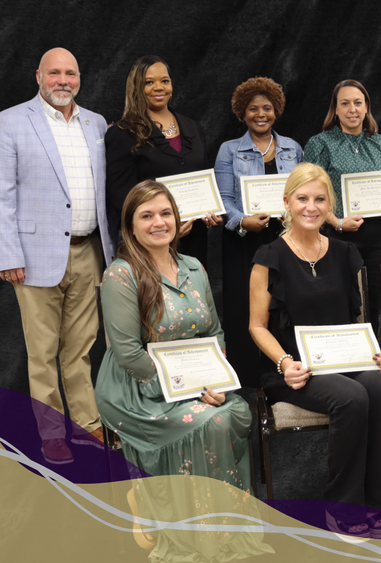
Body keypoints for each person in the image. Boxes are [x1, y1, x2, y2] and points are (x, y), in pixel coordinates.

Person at [95, 181, 270, 559]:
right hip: (138, 388)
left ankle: (225, 530)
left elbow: (215, 332)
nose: (158, 222)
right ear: (130, 225)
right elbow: (128, 354)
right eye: (147, 215)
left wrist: (216, 381)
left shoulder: (193, 267)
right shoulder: (120, 276)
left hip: (194, 378)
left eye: (165, 213)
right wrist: (187, 389)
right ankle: (173, 521)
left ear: (177, 218)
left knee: (235, 411)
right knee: (210, 420)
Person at [0, 47, 114, 464]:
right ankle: (51, 431)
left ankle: (87, 422)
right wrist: (8, 254)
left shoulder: (95, 123)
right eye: (54, 72)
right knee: (42, 350)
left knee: (80, 347)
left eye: (70, 73)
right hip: (33, 254)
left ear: (79, 78)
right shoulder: (10, 122)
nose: (63, 80)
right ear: (38, 76)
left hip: (88, 250)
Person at [249, 163, 381, 537]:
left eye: (319, 199)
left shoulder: (346, 252)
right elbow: (257, 326)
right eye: (302, 198)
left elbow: (359, 318)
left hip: (345, 358)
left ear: (330, 204)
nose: (310, 207)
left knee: (379, 386)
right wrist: (284, 363)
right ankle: (341, 507)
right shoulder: (269, 256)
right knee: (351, 397)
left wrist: (375, 352)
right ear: (287, 202)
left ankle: (376, 501)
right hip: (295, 368)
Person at [304, 79, 381, 331]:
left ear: (366, 107)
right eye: (345, 104)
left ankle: (376, 356)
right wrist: (337, 223)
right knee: (340, 297)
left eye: (357, 103)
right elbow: (310, 192)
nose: (352, 109)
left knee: (377, 302)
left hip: (379, 235)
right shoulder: (320, 143)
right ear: (336, 109)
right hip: (337, 233)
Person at [214, 76, 303, 387]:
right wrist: (241, 221)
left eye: (267, 108)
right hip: (244, 240)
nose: (261, 114)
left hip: (284, 239)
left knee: (285, 303)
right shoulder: (228, 150)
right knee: (245, 309)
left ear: (276, 110)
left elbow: (302, 193)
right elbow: (223, 198)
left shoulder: (292, 148)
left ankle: (283, 374)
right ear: (243, 112)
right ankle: (248, 382)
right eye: (253, 109)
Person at [105, 55, 221, 266]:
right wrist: (164, 224)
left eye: (164, 81)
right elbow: (122, 198)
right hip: (151, 244)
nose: (159, 87)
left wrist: (212, 212)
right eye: (149, 82)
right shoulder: (122, 133)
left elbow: (205, 178)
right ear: (137, 87)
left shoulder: (193, 128)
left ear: (172, 85)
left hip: (194, 241)